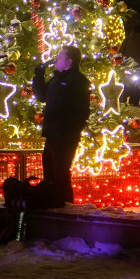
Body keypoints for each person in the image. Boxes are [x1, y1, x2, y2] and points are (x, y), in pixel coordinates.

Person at [32, 45, 90, 207]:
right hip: (51, 134)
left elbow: (82, 112)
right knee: (50, 174)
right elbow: (42, 95)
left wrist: (69, 130)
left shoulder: (78, 82)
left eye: (60, 56)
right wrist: (38, 75)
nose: (56, 58)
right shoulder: (57, 79)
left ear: (69, 62)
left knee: (61, 175)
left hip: (64, 137)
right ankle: (52, 204)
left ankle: (66, 209)